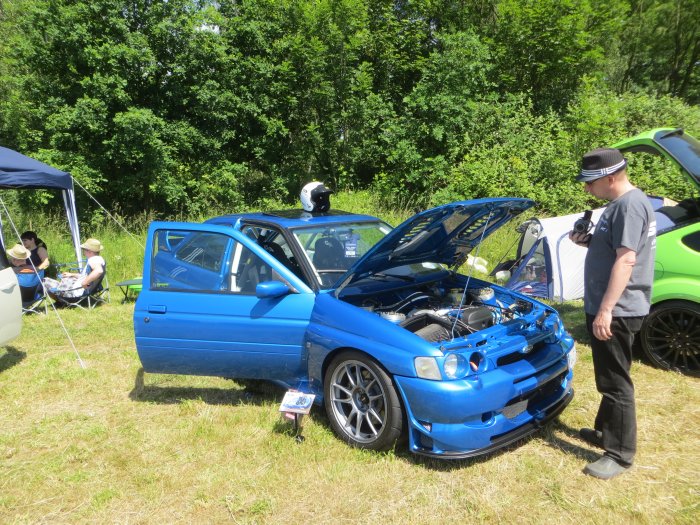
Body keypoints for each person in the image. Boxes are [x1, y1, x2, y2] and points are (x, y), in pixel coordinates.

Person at [569, 148, 656, 480]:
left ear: (609, 177)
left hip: (617, 310)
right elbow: (615, 248)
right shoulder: (621, 205)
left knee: (615, 382)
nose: (587, 190)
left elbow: (627, 260)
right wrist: (588, 241)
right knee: (610, 374)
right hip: (613, 308)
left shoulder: (629, 206)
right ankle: (606, 432)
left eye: (590, 184)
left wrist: (606, 310)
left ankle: (619, 455)